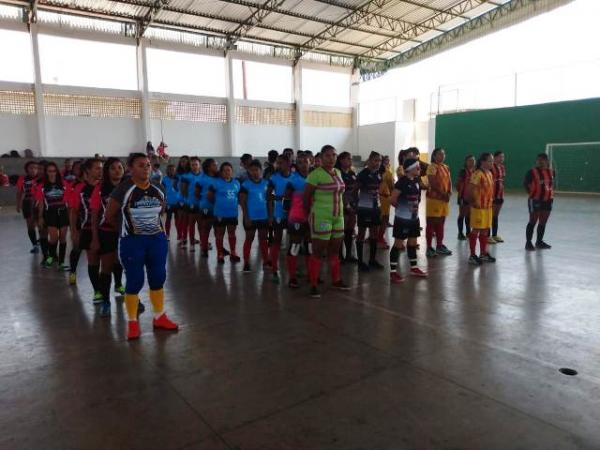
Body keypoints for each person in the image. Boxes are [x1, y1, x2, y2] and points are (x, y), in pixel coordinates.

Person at [104, 153, 178, 340]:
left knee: (158, 277)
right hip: (132, 242)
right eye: (140, 165)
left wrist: (154, 231)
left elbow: (161, 211)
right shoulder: (123, 190)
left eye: (148, 165)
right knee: (135, 281)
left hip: (156, 240)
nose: (146, 168)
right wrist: (127, 231)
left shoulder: (158, 188)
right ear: (130, 168)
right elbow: (110, 216)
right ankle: (132, 322)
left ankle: (159, 316)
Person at [304, 145, 350, 298]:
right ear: (321, 157)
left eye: (334, 155)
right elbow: (306, 197)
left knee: (335, 250)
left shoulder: (337, 172)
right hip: (322, 217)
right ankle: (313, 284)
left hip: (338, 217)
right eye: (328, 156)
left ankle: (336, 280)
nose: (332, 158)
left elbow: (341, 193)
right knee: (318, 251)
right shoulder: (315, 175)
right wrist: (308, 216)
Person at [90, 158, 126, 317]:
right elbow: (94, 215)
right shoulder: (99, 189)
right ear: (107, 171)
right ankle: (106, 301)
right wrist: (95, 238)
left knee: (128, 265)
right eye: (113, 168)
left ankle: (133, 298)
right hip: (107, 232)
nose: (117, 170)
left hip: (126, 233)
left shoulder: (129, 187)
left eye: (120, 167)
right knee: (106, 268)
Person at [70, 158, 103, 303]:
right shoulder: (79, 189)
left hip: (106, 229)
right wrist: (74, 231)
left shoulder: (105, 187)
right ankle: (97, 291)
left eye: (101, 168)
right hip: (88, 229)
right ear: (88, 171)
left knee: (112, 261)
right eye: (97, 168)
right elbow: (73, 212)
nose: (100, 171)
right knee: (93, 261)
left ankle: (119, 284)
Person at [389, 158, 428, 283]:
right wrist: (402, 209)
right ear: (410, 169)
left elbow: (421, 192)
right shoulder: (402, 182)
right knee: (398, 244)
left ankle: (414, 268)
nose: (419, 170)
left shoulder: (416, 180)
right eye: (417, 168)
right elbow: (392, 199)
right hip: (402, 219)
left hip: (414, 218)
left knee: (412, 242)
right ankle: (393, 272)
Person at [36, 162, 69, 270]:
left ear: (57, 172)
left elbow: (68, 199)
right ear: (46, 172)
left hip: (63, 212)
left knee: (63, 238)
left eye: (54, 171)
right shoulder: (42, 186)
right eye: (49, 171)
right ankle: (51, 256)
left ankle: (61, 262)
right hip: (50, 213)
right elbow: (41, 203)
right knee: (53, 238)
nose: (52, 173)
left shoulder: (64, 184)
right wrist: (40, 217)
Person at [286, 153, 311, 288]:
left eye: (305, 162)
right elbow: (286, 200)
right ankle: (292, 277)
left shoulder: (315, 178)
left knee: (310, 246)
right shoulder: (292, 180)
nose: (303, 165)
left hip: (312, 218)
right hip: (296, 218)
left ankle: (311, 275)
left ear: (310, 162)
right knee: (295, 246)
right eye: (300, 162)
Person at [239, 160, 270, 272]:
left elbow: (269, 200)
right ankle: (246, 262)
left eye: (256, 170)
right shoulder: (245, 185)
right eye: (252, 170)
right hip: (251, 217)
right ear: (249, 171)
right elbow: (242, 202)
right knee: (249, 239)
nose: (254, 172)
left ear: (261, 171)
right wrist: (246, 217)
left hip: (264, 216)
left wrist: (270, 216)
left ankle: (266, 261)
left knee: (263, 239)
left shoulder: (266, 183)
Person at [466, 153, 496, 265]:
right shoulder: (477, 174)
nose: (492, 163)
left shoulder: (489, 173)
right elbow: (470, 189)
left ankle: (483, 253)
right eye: (490, 161)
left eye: (492, 161)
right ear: (483, 162)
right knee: (476, 230)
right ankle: (472, 255)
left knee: (485, 229)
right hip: (478, 207)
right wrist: (474, 201)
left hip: (488, 207)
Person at [356, 151, 384, 271]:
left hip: (375, 208)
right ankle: (360, 262)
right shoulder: (362, 174)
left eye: (379, 161)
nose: (377, 163)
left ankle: (372, 260)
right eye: (375, 160)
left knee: (374, 233)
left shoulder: (378, 174)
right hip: (364, 209)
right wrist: (355, 204)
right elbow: (354, 191)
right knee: (361, 234)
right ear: (369, 160)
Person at [209, 162, 241, 264]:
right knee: (220, 234)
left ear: (232, 171)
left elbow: (239, 197)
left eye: (229, 170)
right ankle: (220, 254)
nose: (226, 172)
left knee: (232, 234)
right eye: (224, 170)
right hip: (220, 213)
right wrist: (218, 204)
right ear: (221, 172)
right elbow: (210, 196)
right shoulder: (216, 182)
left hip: (232, 213)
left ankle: (233, 252)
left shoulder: (236, 183)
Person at [267, 155, 293, 283]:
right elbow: (268, 195)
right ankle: (274, 268)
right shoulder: (274, 178)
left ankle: (292, 268)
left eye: (281, 163)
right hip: (279, 214)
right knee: (277, 240)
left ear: (288, 163)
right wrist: (278, 198)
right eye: (277, 163)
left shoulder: (295, 177)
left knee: (294, 240)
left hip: (293, 214)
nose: (278, 165)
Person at [524, 153, 554, 251]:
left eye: (542, 160)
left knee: (543, 221)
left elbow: (551, 185)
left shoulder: (551, 172)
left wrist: (549, 193)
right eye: (538, 160)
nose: (540, 162)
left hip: (548, 200)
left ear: (547, 161)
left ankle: (539, 241)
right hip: (535, 200)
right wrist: (533, 194)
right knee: (533, 221)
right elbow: (525, 184)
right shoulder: (531, 172)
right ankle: (528, 243)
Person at [425, 148, 452, 257]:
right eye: (440, 154)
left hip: (444, 200)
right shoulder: (432, 167)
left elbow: (449, 182)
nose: (442, 156)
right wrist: (442, 194)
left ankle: (439, 245)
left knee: (441, 222)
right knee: (431, 223)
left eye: (443, 154)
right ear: (434, 156)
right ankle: (429, 247)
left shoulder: (446, 167)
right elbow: (432, 182)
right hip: (434, 199)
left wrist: (449, 193)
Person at [335, 151, 358, 263]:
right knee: (340, 232)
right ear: (341, 160)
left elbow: (355, 190)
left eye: (350, 159)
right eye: (348, 159)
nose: (350, 161)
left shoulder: (352, 173)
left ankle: (349, 254)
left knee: (350, 231)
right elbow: (340, 192)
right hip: (341, 206)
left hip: (352, 206)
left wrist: (355, 205)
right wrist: (346, 205)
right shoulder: (337, 173)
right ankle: (339, 255)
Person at [16, 161, 41, 254]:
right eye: (31, 168)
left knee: (40, 224)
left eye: (36, 168)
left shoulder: (41, 178)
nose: (34, 170)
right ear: (27, 169)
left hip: (39, 202)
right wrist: (18, 204)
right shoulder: (22, 179)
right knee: (30, 225)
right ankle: (34, 245)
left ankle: (42, 241)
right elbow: (19, 192)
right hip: (27, 202)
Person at [65, 161, 84, 285]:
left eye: (80, 168)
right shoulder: (73, 186)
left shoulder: (97, 184)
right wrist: (72, 229)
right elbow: (71, 208)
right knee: (77, 247)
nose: (78, 170)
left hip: (92, 221)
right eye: (76, 168)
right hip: (78, 221)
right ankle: (73, 271)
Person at [197, 158, 219, 258]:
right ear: (209, 167)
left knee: (218, 229)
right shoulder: (202, 178)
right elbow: (197, 193)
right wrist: (204, 201)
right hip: (206, 207)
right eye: (214, 165)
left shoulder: (219, 177)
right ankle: (204, 249)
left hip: (218, 207)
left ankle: (220, 250)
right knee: (206, 228)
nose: (217, 166)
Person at [180, 157, 202, 252]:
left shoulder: (203, 176)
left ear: (199, 165)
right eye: (192, 165)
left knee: (201, 225)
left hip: (202, 204)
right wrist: (189, 200)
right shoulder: (186, 176)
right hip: (191, 204)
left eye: (196, 164)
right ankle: (192, 244)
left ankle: (203, 243)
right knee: (191, 224)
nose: (194, 166)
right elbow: (183, 191)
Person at [456, 155, 475, 240]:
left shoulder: (475, 171)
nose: (472, 162)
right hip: (463, 197)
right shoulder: (463, 171)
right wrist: (462, 194)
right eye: (470, 160)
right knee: (462, 215)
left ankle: (468, 232)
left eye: (473, 160)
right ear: (466, 162)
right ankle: (460, 233)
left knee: (469, 215)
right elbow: (458, 184)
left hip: (472, 197)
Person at [378, 155, 395, 249]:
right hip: (383, 198)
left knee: (379, 219)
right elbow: (392, 187)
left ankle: (376, 237)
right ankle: (379, 238)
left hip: (381, 198)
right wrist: (394, 199)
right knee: (384, 219)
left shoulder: (385, 172)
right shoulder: (387, 173)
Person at [489, 151, 506, 244]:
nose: (502, 159)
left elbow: (501, 180)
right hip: (491, 195)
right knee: (489, 215)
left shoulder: (502, 167)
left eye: (503, 157)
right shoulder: (490, 167)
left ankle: (494, 235)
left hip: (500, 194)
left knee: (495, 216)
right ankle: (487, 236)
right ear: (494, 158)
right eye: (500, 157)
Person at [175, 156, 190, 246]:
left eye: (184, 161)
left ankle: (186, 236)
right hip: (181, 198)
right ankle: (181, 236)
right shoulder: (178, 174)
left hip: (190, 199)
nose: (183, 163)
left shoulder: (191, 173)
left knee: (188, 220)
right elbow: (174, 185)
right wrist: (180, 192)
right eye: (181, 162)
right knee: (181, 218)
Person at [161, 164, 179, 239]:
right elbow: (162, 192)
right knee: (168, 219)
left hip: (178, 202)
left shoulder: (178, 179)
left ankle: (179, 234)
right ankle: (167, 234)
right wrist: (164, 203)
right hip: (169, 203)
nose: (172, 171)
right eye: (170, 169)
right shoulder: (164, 179)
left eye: (173, 169)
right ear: (167, 170)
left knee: (178, 220)